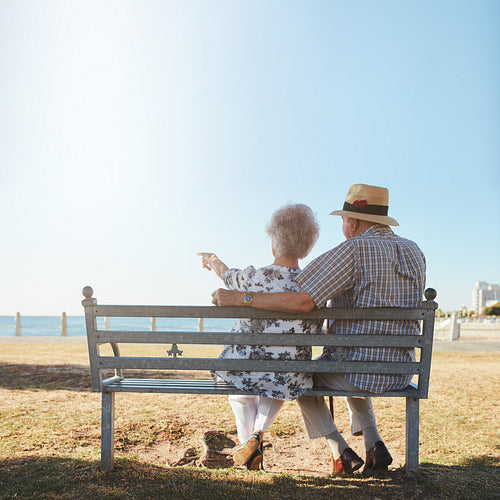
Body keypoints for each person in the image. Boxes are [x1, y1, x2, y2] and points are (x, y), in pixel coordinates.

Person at [211, 184, 426, 475]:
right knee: (350, 363)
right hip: (401, 370)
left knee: (302, 377)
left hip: (359, 370)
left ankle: (341, 449)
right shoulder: (415, 251)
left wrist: (242, 298)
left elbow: (302, 301)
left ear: (352, 221)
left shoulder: (352, 249)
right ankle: (374, 445)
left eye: (342, 220)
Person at [197, 203, 321, 471]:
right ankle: (257, 434)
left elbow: (225, 274)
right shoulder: (310, 284)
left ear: (275, 242)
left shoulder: (252, 278)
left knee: (240, 395)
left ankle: (249, 450)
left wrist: (212, 259)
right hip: (290, 372)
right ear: (306, 247)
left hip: (244, 366)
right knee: (275, 383)